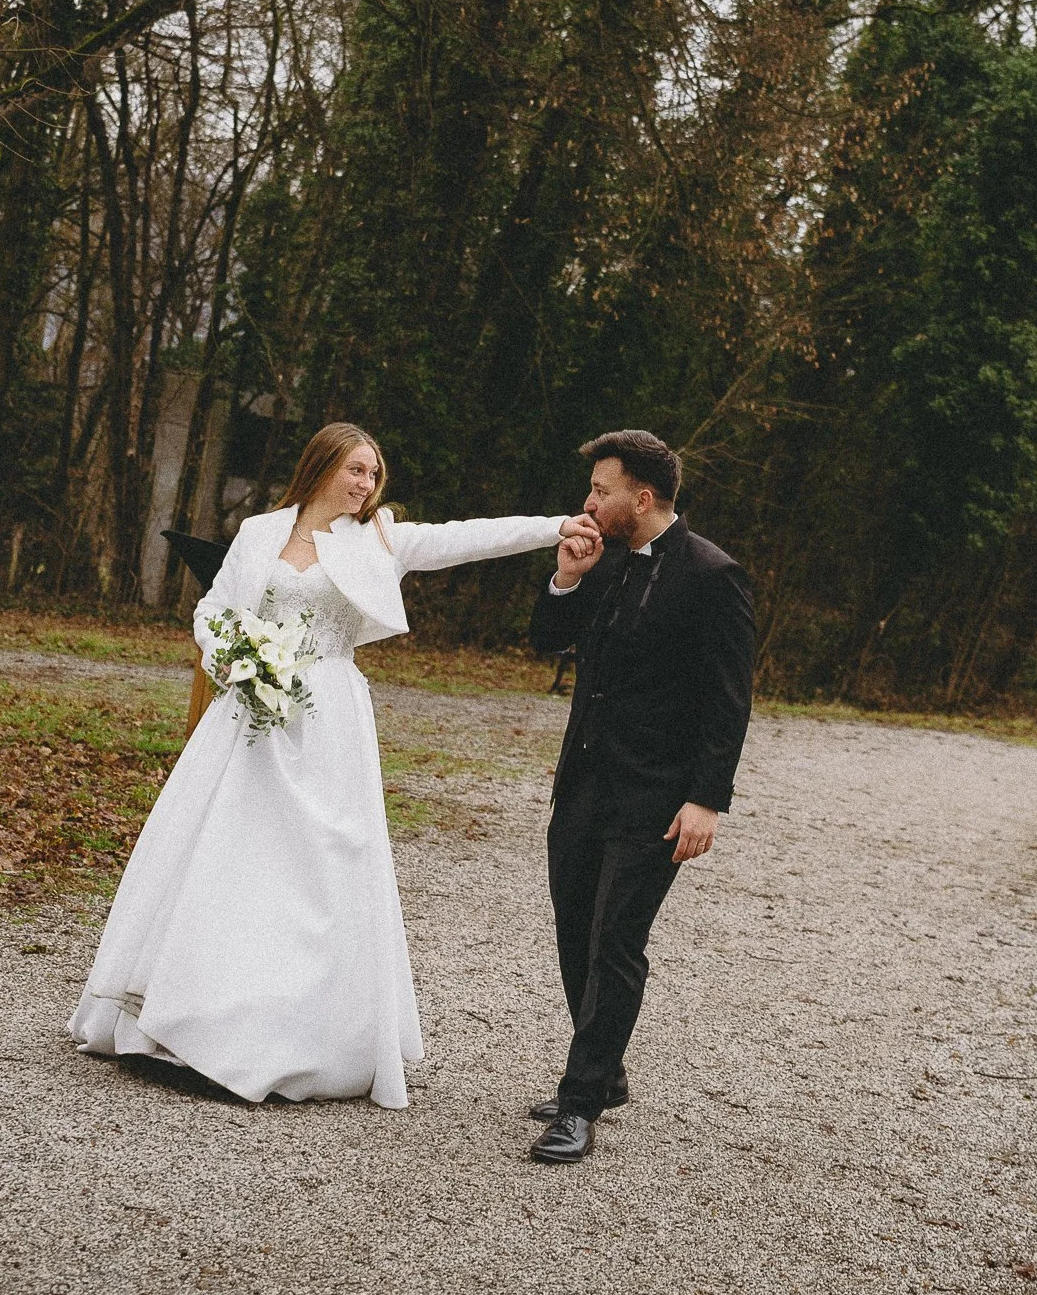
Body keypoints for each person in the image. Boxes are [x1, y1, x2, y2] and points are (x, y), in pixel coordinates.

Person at [70, 423, 599, 1110]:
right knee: (231, 855)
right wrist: (231, 656)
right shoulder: (261, 531)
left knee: (316, 865)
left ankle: (295, 1035)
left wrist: (557, 524)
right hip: (250, 719)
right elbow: (216, 609)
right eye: (355, 471)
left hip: (328, 720)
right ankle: (183, 1020)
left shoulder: (378, 538)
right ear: (320, 467)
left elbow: (467, 536)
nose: (366, 485)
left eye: (374, 475)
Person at [527, 430, 754, 1163]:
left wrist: (706, 800)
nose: (589, 501)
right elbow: (545, 640)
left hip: (657, 799)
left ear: (643, 496)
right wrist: (565, 579)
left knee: (616, 942)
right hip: (584, 784)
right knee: (573, 933)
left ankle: (581, 1101)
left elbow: (729, 703)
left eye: (601, 489)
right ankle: (606, 1073)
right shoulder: (603, 559)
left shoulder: (714, 575)